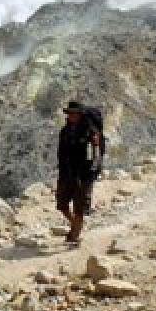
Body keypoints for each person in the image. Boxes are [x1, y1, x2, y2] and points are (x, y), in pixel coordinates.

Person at [55, 102, 102, 245]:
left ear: (80, 114)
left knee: (79, 208)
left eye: (73, 113)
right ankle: (75, 225)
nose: (70, 116)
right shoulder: (65, 131)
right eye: (69, 113)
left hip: (84, 175)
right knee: (62, 205)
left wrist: (91, 174)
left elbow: (95, 155)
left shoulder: (90, 132)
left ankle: (74, 236)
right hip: (66, 173)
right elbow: (61, 152)